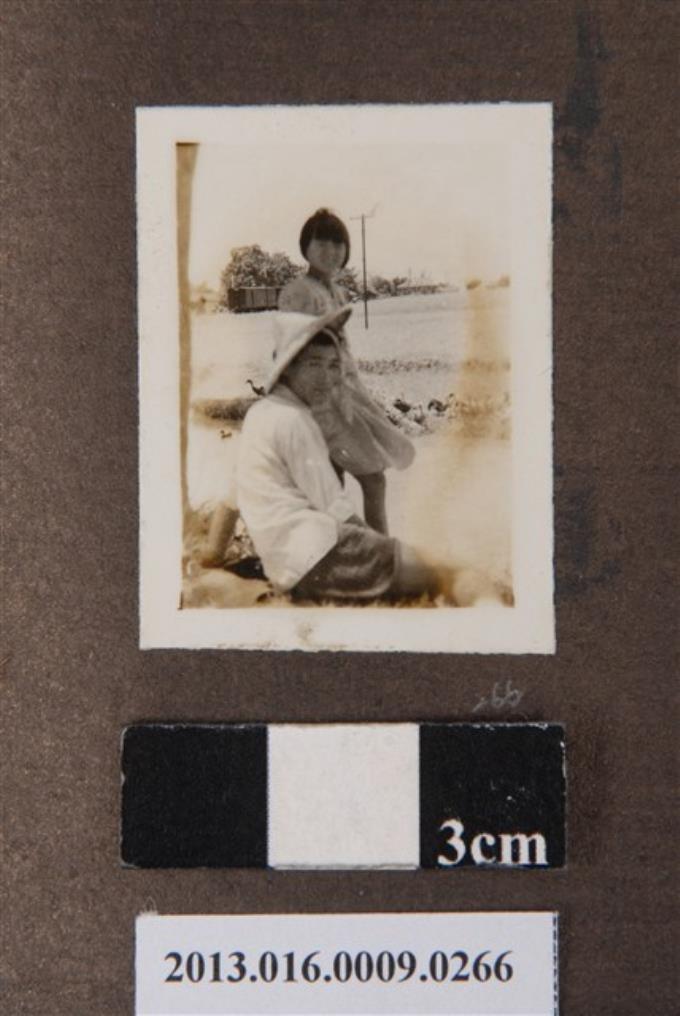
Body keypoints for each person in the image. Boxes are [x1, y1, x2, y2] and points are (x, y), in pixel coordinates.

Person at [236, 306, 499, 605]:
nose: (326, 377)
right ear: (288, 368)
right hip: (324, 554)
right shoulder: (295, 420)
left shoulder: (259, 413)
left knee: (419, 560)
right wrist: (382, 547)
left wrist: (212, 555)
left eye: (333, 366)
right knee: (454, 571)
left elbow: (231, 494)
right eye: (314, 364)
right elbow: (334, 507)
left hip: (286, 563)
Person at [278, 207, 414, 535]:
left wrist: (362, 397)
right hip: (321, 401)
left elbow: (343, 352)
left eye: (338, 244)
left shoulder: (337, 292)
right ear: (306, 247)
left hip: (347, 395)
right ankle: (378, 551)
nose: (331, 251)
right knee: (370, 478)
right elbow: (295, 353)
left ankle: (352, 550)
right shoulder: (299, 292)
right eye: (322, 243)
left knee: (337, 484)